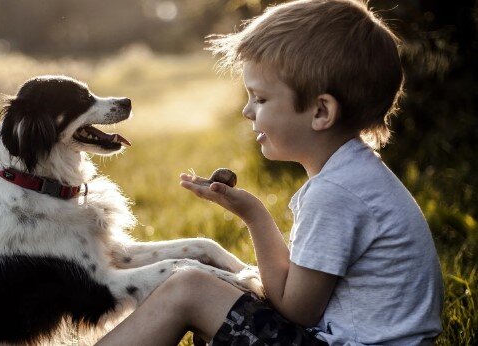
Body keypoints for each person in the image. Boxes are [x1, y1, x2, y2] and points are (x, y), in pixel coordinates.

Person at [97, 0, 443, 344]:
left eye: (260, 99)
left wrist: (255, 216)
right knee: (217, 291)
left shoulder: (335, 193)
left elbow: (296, 310)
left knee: (190, 289)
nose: (247, 111)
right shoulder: (355, 176)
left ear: (321, 112)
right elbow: (298, 291)